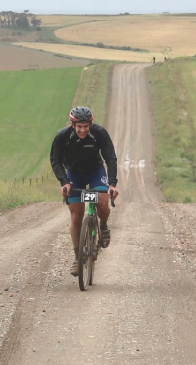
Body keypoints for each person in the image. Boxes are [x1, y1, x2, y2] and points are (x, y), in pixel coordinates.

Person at [50, 106, 119, 277]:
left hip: (95, 171)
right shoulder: (62, 136)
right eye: (78, 126)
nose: (82, 130)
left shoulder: (100, 133)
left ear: (90, 124)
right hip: (74, 173)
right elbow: (55, 160)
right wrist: (64, 182)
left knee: (102, 202)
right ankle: (78, 257)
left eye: (85, 126)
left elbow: (110, 158)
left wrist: (111, 184)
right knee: (75, 216)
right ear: (72, 125)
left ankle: (103, 226)